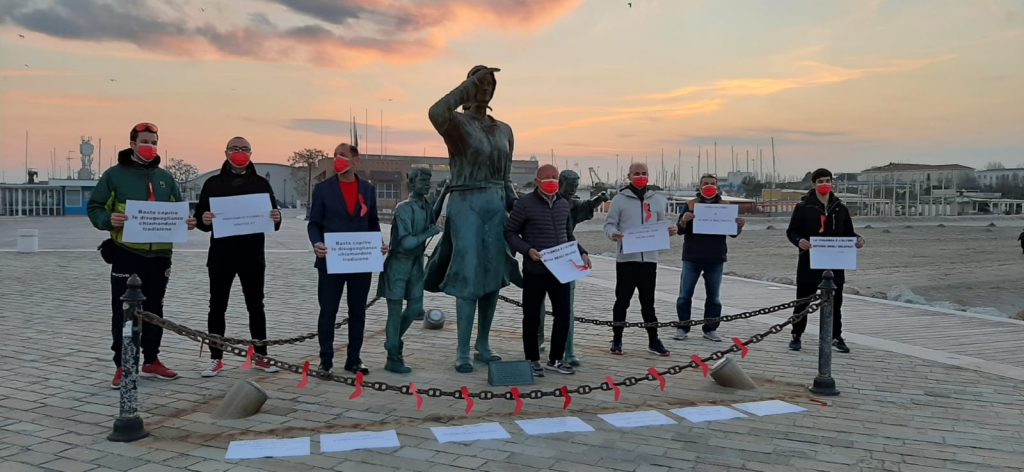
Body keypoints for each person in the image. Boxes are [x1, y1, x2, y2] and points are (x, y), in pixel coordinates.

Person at [424, 65, 523, 373]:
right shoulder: (456, 123)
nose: (486, 88)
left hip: (495, 206)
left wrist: (519, 212)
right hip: (466, 204)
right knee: (468, 275)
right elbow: (435, 111)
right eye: (480, 83)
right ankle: (463, 350)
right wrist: (466, 87)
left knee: (493, 276)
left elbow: (506, 179)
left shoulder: (504, 129)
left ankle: (483, 345)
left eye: (490, 83)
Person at [88, 122, 196, 388]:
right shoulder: (114, 175)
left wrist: (186, 221)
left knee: (155, 309)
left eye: (154, 142)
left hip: (160, 255)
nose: (150, 146)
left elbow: (176, 210)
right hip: (127, 253)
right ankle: (123, 365)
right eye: (145, 141)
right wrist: (108, 219)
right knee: (124, 311)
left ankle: (151, 360)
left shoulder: (166, 178)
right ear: (133, 144)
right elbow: (95, 206)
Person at [192, 137, 282, 377]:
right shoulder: (213, 183)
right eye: (235, 148)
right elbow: (201, 217)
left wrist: (276, 217)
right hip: (221, 255)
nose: (239, 153)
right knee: (217, 306)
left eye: (244, 149)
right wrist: (205, 220)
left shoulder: (261, 183)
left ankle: (261, 356)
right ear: (226, 152)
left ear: (251, 153)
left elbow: (275, 218)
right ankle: (216, 357)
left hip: (252, 255)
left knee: (256, 305)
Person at [308, 143, 387, 375]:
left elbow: (372, 223)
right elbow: (314, 223)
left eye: (343, 155)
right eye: (335, 156)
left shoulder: (367, 189)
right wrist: (317, 244)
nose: (338, 160)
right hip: (331, 260)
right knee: (328, 311)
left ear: (356, 160)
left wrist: (378, 244)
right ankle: (326, 360)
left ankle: (354, 359)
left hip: (360, 261)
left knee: (358, 311)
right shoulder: (323, 189)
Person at [505, 165, 592, 376]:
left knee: (563, 315)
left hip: (562, 270)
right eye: (547, 178)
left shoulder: (563, 204)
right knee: (532, 316)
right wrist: (528, 250)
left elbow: (567, 234)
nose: (551, 181)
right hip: (535, 269)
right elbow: (509, 232)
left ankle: (556, 359)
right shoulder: (524, 205)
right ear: (537, 181)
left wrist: (582, 252)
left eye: (554, 177)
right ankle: (532, 359)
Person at [533, 169, 607, 366]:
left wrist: (599, 199)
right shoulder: (541, 201)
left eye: (576, 186)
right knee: (536, 308)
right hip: (539, 259)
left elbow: (584, 208)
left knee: (566, 309)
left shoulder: (570, 203)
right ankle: (537, 340)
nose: (573, 190)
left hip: (565, 257)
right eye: (570, 186)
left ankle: (568, 350)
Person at [786, 168, 865, 353]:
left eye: (827, 180)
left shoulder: (840, 208)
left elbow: (848, 233)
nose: (824, 184)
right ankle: (796, 334)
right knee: (803, 300)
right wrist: (799, 241)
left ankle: (836, 336)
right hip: (809, 261)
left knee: (836, 302)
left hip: (835, 262)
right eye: (820, 181)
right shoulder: (803, 207)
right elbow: (792, 231)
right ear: (814, 184)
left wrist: (858, 239)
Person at [603, 162, 677, 356]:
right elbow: (609, 225)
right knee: (622, 301)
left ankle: (654, 340)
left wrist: (670, 230)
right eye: (636, 173)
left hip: (649, 260)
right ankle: (617, 338)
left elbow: (663, 223)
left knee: (648, 303)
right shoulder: (619, 199)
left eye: (644, 173)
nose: (640, 177)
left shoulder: (657, 199)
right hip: (627, 259)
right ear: (629, 176)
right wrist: (614, 234)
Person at [379, 168, 441, 374]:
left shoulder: (425, 205)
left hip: (415, 263)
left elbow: (434, 217)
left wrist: (446, 191)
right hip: (398, 264)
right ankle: (393, 355)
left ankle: (393, 341)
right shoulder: (403, 208)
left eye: (428, 181)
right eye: (422, 181)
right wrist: (428, 233)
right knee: (395, 312)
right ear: (412, 184)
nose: (426, 185)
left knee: (415, 308)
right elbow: (406, 243)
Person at [673, 174, 744, 342]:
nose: (709, 186)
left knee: (714, 297)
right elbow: (680, 229)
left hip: (716, 257)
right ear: (699, 187)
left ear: (718, 187)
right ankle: (682, 327)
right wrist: (683, 220)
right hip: (692, 256)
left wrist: (738, 226)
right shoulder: (691, 204)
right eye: (705, 184)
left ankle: (710, 329)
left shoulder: (725, 206)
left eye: (712, 184)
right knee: (685, 295)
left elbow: (733, 233)